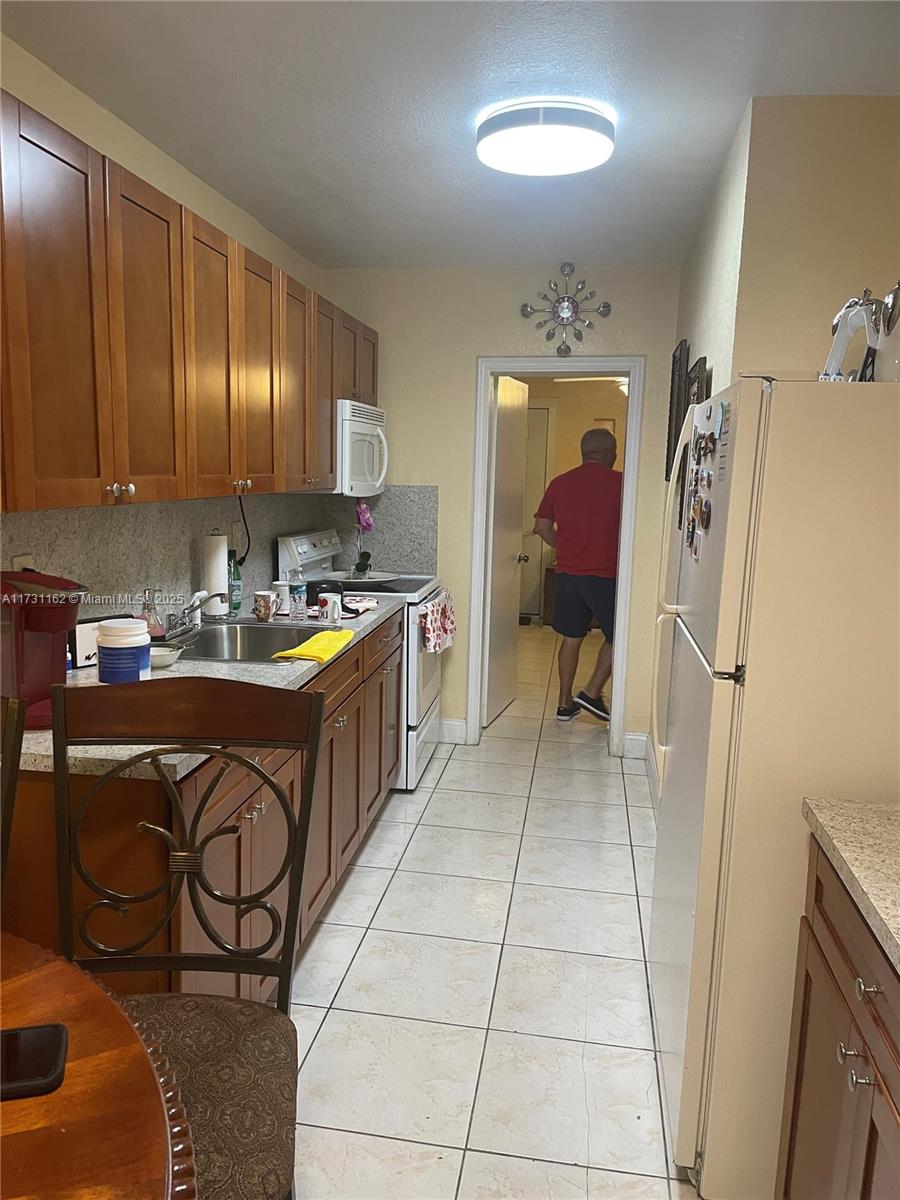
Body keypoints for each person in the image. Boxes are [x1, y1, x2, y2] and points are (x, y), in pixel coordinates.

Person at [533, 427, 622, 721]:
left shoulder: (560, 483)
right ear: (609, 454)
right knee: (619, 636)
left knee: (571, 638)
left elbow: (542, 527)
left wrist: (567, 545)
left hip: (568, 575)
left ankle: (564, 703)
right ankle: (592, 692)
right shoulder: (622, 483)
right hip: (606, 577)